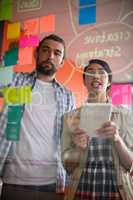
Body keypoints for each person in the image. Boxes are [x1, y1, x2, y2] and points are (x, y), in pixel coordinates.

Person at [0, 34, 75, 200]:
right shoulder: (16, 81)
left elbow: (68, 137)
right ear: (36, 53)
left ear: (62, 62)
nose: (50, 56)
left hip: (51, 181)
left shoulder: (67, 96)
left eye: (57, 53)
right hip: (14, 178)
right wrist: (11, 51)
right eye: (45, 50)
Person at [61, 59, 133, 200]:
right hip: (81, 190)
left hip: (117, 191)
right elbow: (68, 168)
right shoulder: (69, 118)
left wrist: (117, 139)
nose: (96, 76)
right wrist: (78, 149)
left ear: (109, 81)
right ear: (85, 81)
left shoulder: (126, 115)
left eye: (101, 73)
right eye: (90, 73)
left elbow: (130, 164)